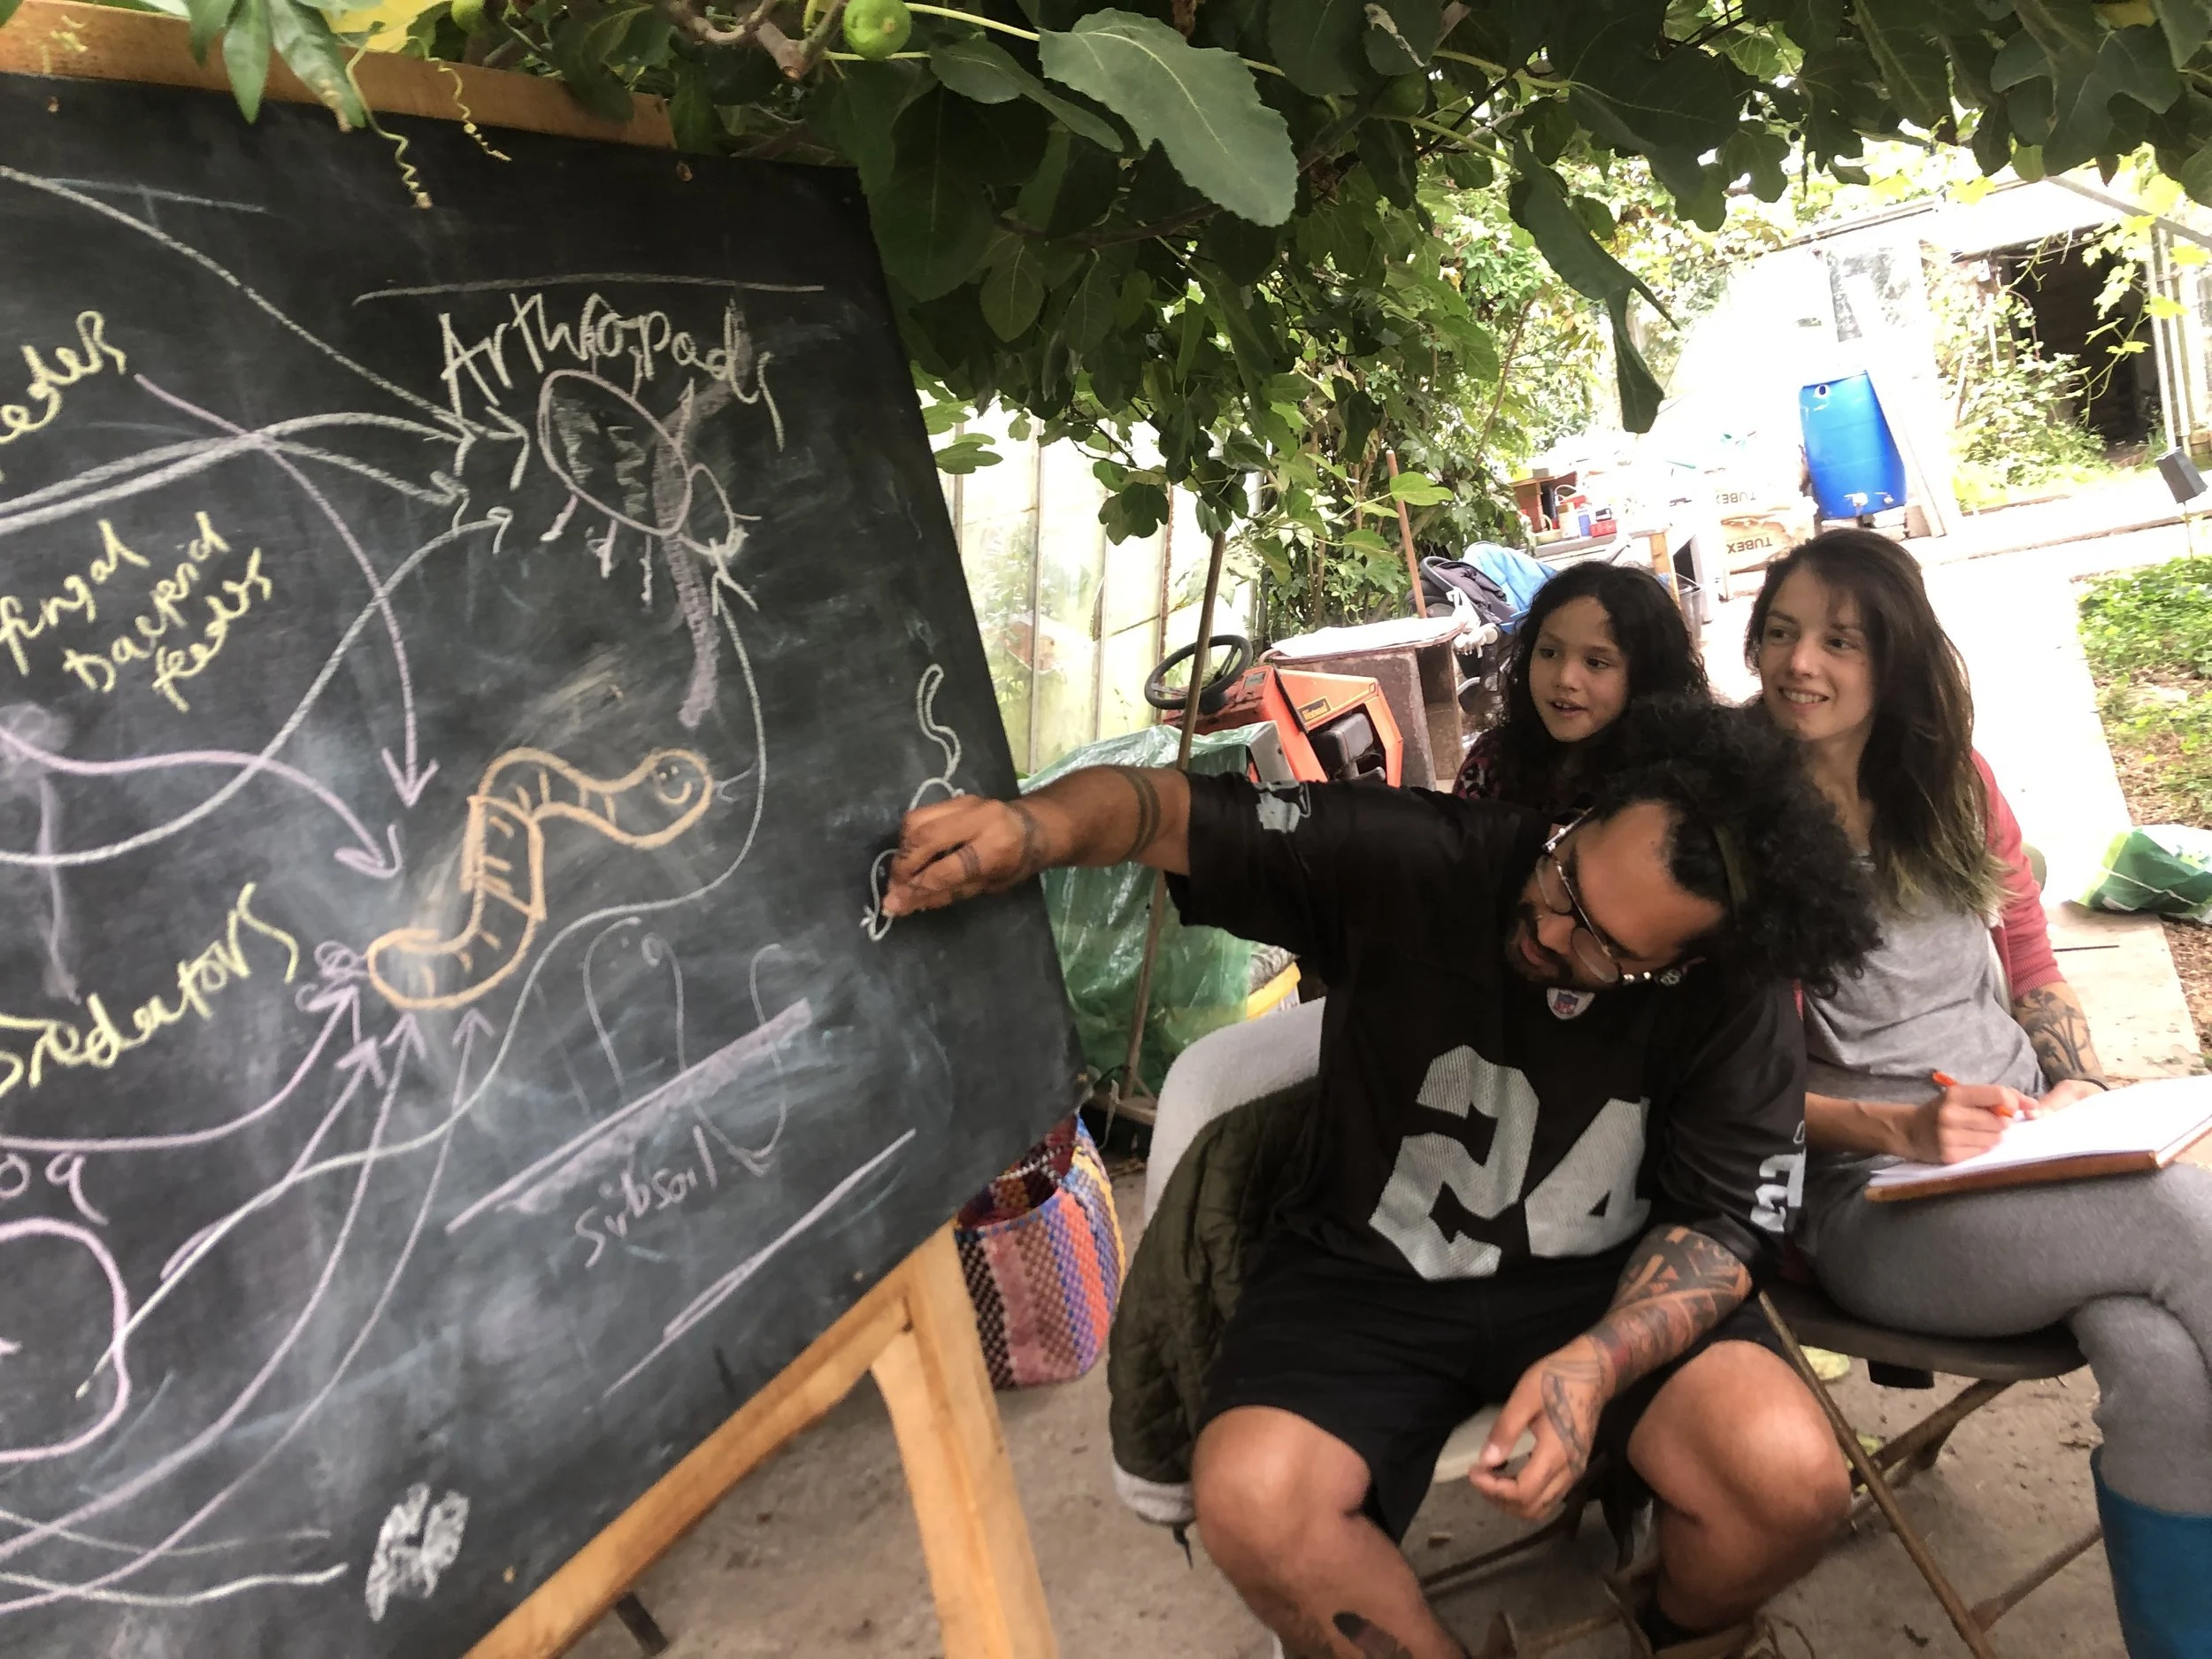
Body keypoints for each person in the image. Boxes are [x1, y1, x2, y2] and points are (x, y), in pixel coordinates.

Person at [883, 696, 1878, 1659]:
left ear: (1682, 968)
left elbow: (1725, 1222)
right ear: (1578, 819)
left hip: (1599, 1281)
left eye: (1604, 949)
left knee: (1789, 1485)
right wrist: (1034, 827)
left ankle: (1675, 1630)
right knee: (1255, 1502)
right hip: (1366, 1271)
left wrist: (1597, 1363)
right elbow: (1167, 811)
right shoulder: (1429, 856)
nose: (1550, 929)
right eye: (1565, 876)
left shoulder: (1737, 993)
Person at [1749, 527, 2212, 1659]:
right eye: (1779, 633)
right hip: (1873, 1198)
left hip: (2030, 1152)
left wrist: (2079, 1080)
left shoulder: (1947, 782)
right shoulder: (1732, 828)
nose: (1797, 663)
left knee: (2158, 1364)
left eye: (1839, 640)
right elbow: (1710, 1089)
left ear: (1894, 658)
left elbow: (2028, 955)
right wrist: (1895, 1124)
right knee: (2183, 1224)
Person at [1456, 563, 1710, 815]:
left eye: (1596, 662)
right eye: (1549, 652)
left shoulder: (1677, 785)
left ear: (1648, 674)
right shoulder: (1492, 762)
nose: (1565, 679)